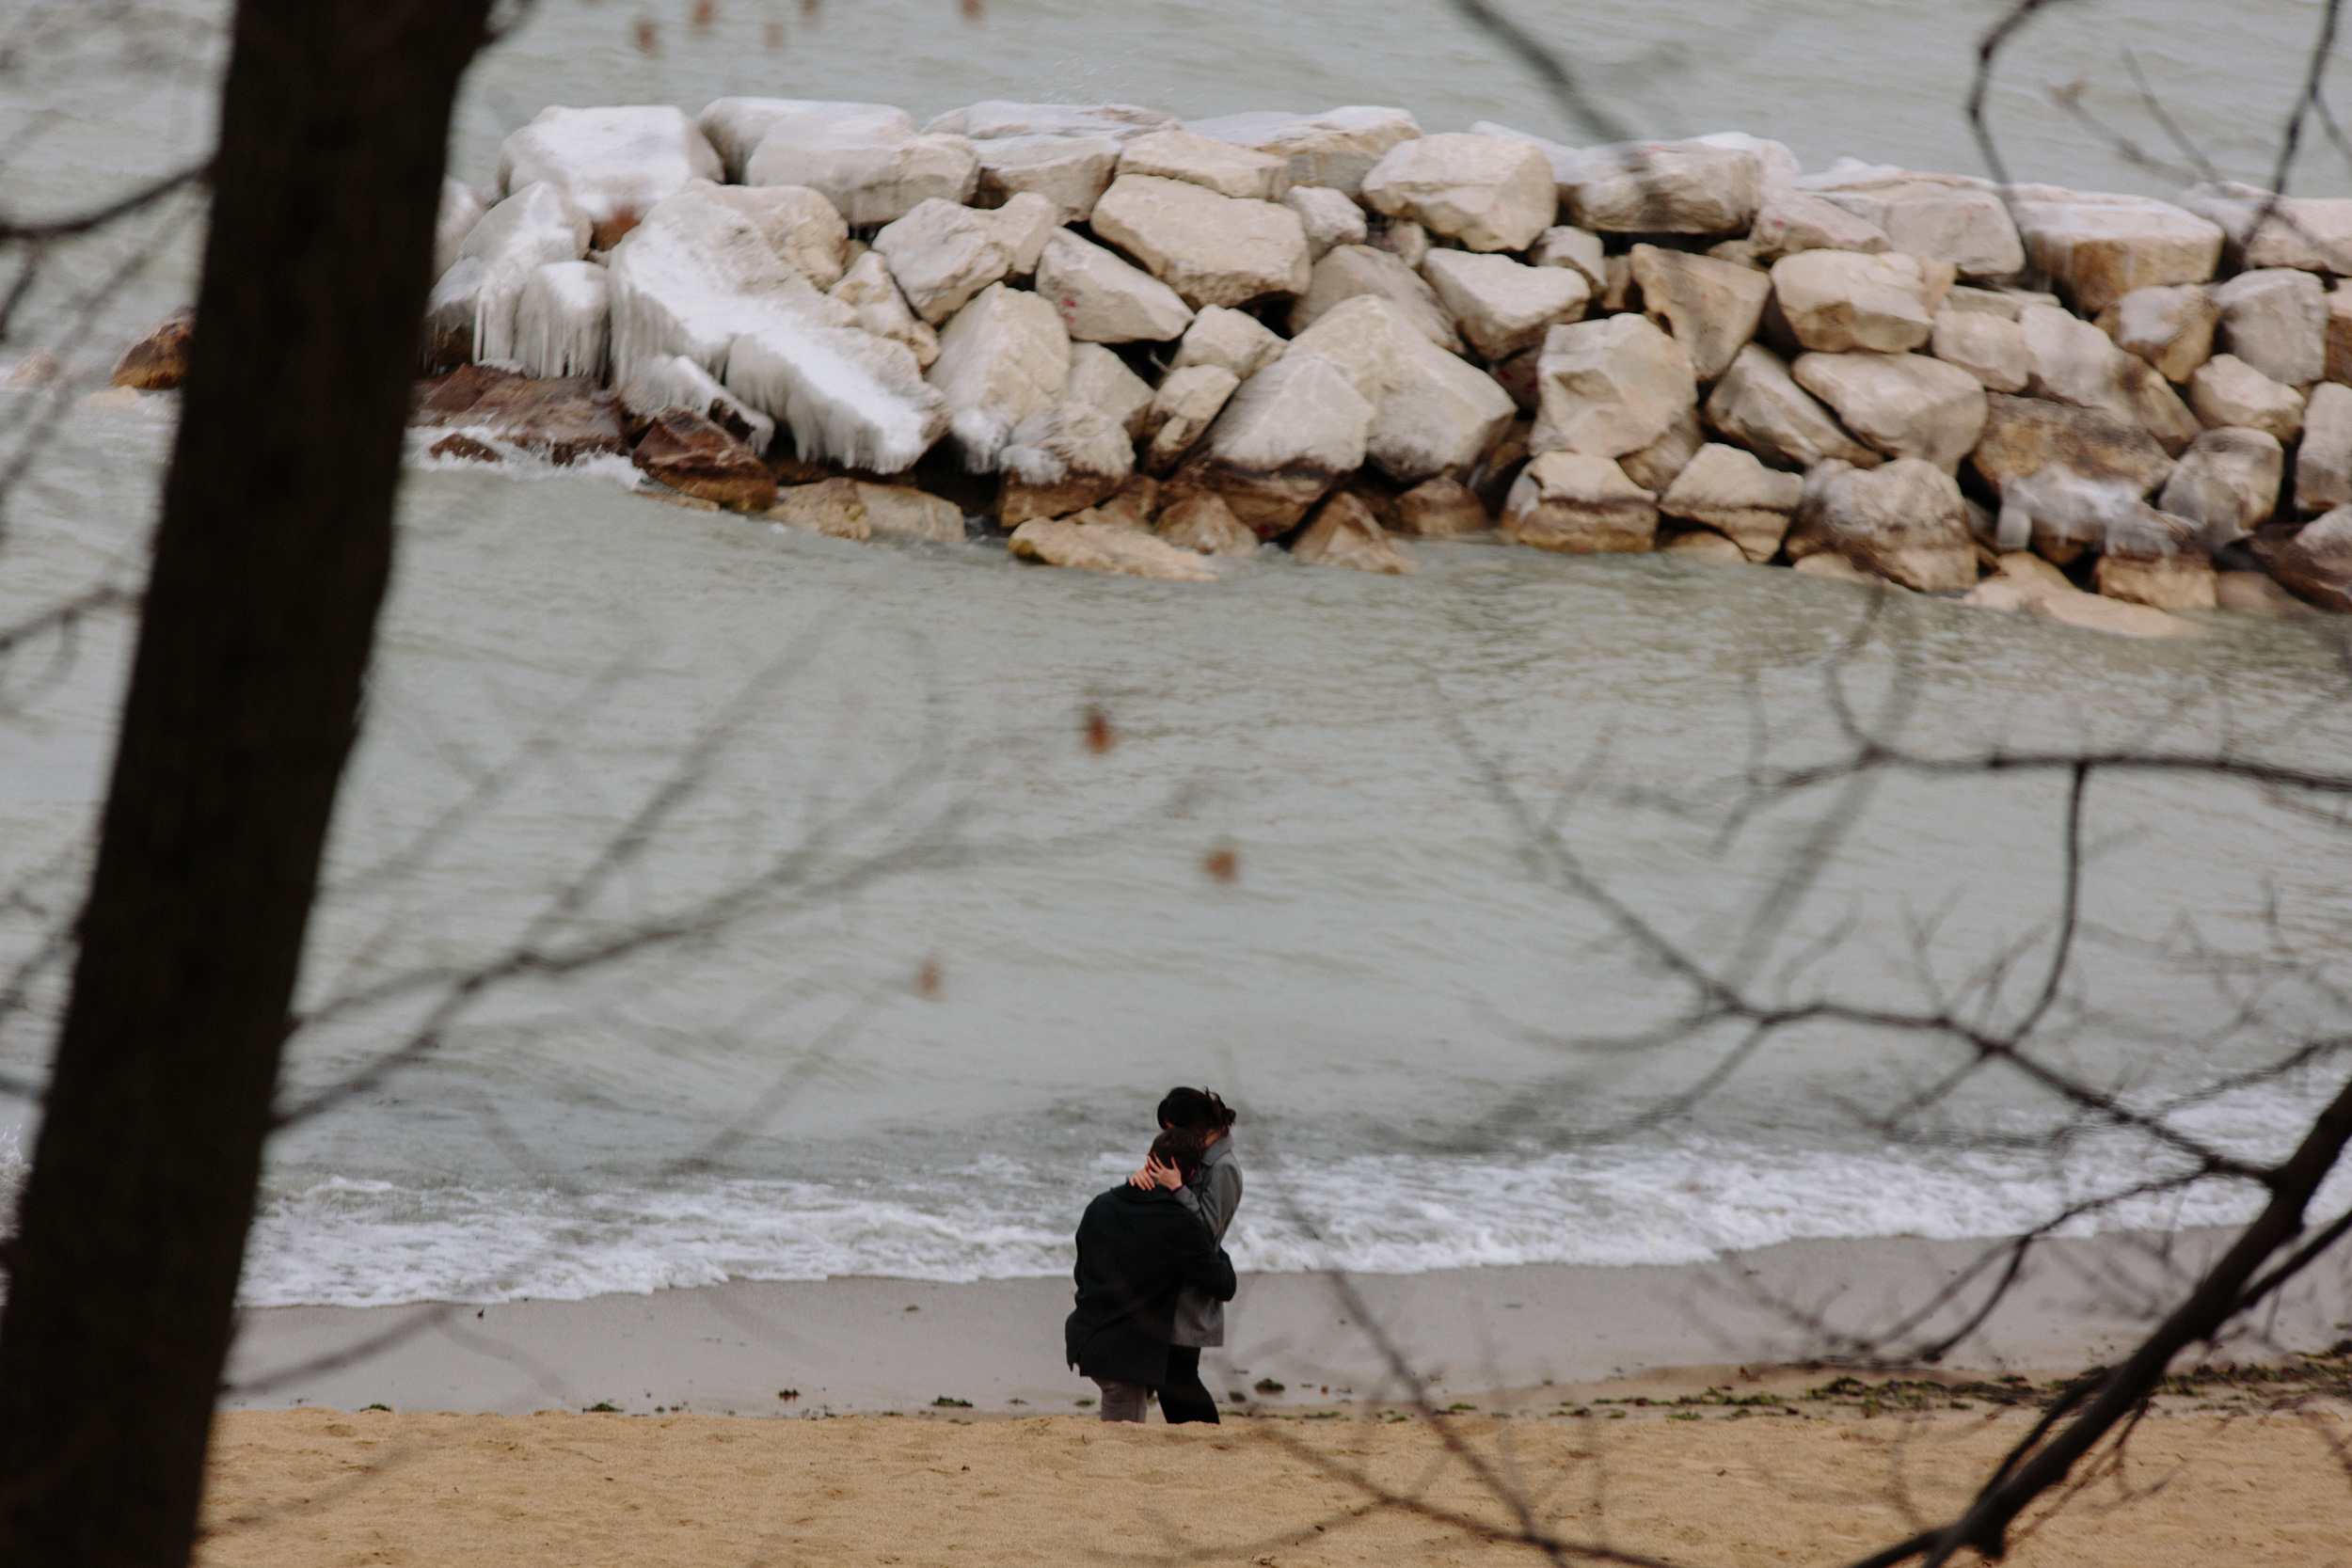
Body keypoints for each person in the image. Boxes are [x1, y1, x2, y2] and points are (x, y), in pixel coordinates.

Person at [1066, 1129, 1235, 1422]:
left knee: (1120, 1434)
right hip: (1126, 1355)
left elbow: (1082, 1273)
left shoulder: (1101, 1205)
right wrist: (1215, 1243)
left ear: (1148, 1159)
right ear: (1191, 1173)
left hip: (1087, 1337)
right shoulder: (1178, 1223)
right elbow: (1223, 1285)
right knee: (1123, 1444)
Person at [1136, 1086, 1241, 1425]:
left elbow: (1207, 1231)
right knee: (1168, 1373)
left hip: (1193, 1286)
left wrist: (1177, 1188)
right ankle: (1193, 1438)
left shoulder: (1223, 1167)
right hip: (1171, 1282)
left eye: (1172, 1129)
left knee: (1177, 1375)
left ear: (1194, 1124)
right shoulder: (1196, 1157)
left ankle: (1209, 1436)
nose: (1169, 1136)